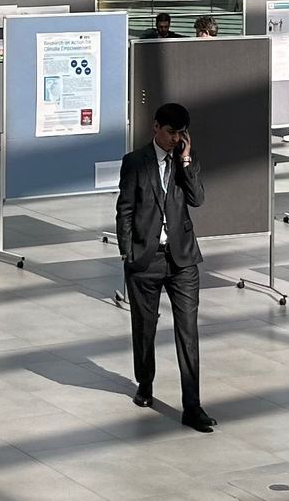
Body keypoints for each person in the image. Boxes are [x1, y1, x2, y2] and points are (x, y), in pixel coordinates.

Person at [114, 101, 213, 433]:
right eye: (171, 132)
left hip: (182, 259)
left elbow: (197, 199)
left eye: (181, 133)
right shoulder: (135, 162)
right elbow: (125, 210)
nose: (176, 139)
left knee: (188, 331)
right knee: (145, 327)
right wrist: (128, 253)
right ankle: (145, 383)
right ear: (155, 127)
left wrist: (185, 160)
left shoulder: (186, 159)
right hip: (146, 259)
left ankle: (192, 406)